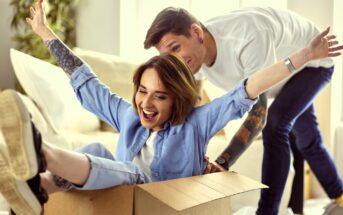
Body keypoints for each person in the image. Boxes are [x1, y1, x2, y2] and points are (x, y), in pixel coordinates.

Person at [0, 1, 341, 214]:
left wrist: (304, 56)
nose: (146, 104)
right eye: (142, 92)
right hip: (114, 192)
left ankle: (39, 151)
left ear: (177, 98)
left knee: (131, 175)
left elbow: (250, 90)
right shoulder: (129, 115)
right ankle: (39, 186)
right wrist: (46, 33)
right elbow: (86, 81)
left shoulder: (197, 122)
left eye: (160, 96)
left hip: (153, 197)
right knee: (95, 150)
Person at [144, 6, 343, 215]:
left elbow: (259, 114)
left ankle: (266, 212)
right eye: (167, 56)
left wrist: (223, 162)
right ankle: (340, 197)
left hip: (313, 63)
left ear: (196, 33)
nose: (174, 61)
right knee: (308, 138)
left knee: (276, 125)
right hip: (281, 74)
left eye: (175, 48)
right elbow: (192, 104)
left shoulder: (247, 38)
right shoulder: (191, 56)